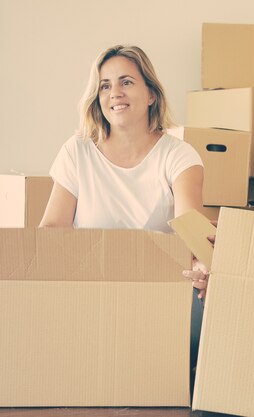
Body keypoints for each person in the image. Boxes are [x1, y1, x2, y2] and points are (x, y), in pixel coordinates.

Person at [39, 44, 205, 368]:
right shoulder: (77, 151)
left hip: (158, 296)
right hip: (89, 294)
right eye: (105, 85)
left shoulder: (179, 155)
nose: (115, 92)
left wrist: (201, 265)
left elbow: (191, 231)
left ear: (151, 94)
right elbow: (52, 231)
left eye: (126, 82)